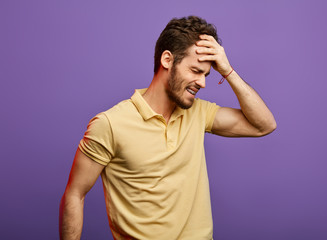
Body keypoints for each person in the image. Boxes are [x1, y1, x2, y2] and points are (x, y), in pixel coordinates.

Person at [59, 16, 276, 240]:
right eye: (195, 70)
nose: (202, 83)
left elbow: (264, 125)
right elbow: (75, 194)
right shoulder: (110, 124)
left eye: (206, 75)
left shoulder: (199, 112)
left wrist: (228, 71)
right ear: (167, 60)